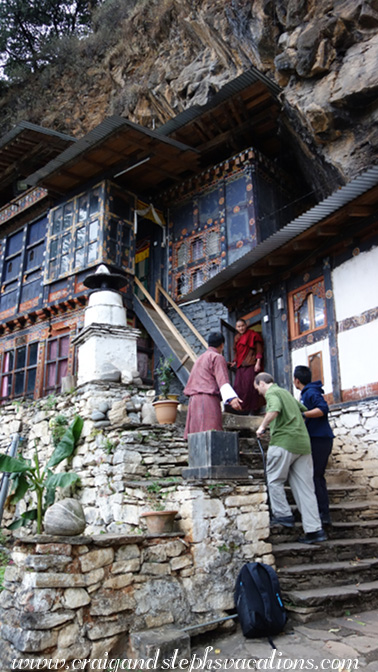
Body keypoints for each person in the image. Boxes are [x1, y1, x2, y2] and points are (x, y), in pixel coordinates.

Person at [254, 372, 327, 544]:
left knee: (274, 480)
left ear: (262, 383)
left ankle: (283, 515)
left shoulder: (272, 393)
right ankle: (315, 530)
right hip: (303, 444)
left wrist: (262, 427)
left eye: (257, 388)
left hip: (283, 443)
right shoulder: (286, 392)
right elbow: (304, 410)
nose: (258, 392)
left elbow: (274, 409)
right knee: (306, 489)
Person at [293, 365, 334, 526]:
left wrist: (303, 414)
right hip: (316, 438)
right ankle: (317, 510)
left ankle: (323, 513)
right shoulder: (307, 393)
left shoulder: (310, 392)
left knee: (316, 476)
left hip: (320, 439)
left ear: (297, 381)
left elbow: (323, 409)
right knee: (314, 476)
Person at [183, 332, 242, 439]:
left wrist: (225, 365)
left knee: (197, 438)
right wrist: (232, 398)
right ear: (222, 345)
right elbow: (222, 379)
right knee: (212, 435)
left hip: (194, 401)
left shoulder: (200, 358)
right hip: (207, 400)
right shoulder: (217, 357)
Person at [230, 318, 263, 415]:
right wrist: (235, 362)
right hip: (241, 366)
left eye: (242, 326)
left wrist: (258, 363)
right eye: (239, 327)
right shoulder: (237, 338)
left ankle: (253, 409)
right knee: (238, 387)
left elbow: (259, 350)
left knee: (250, 387)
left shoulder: (253, 335)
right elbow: (237, 352)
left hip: (251, 364)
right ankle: (242, 409)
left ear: (246, 325)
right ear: (236, 328)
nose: (241, 328)